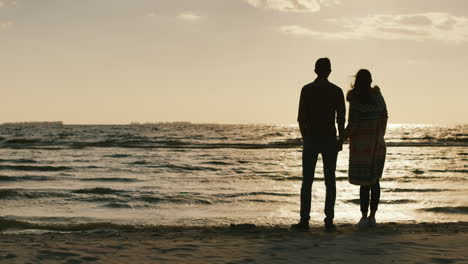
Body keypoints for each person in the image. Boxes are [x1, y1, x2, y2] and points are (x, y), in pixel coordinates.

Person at [292, 57, 346, 230]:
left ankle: (304, 220)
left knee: (307, 181)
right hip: (330, 138)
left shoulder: (307, 90)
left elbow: (301, 118)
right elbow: (341, 118)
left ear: (315, 71)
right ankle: (329, 221)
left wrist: (306, 138)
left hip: (312, 139)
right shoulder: (336, 91)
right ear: (329, 71)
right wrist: (341, 139)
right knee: (330, 181)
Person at [342, 69, 388, 229]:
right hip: (377, 144)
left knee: (364, 182)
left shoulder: (355, 100)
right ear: (370, 80)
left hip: (361, 147)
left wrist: (341, 138)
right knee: (374, 181)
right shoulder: (378, 97)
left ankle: (363, 217)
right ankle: (372, 217)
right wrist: (379, 133)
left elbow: (352, 124)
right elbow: (385, 115)